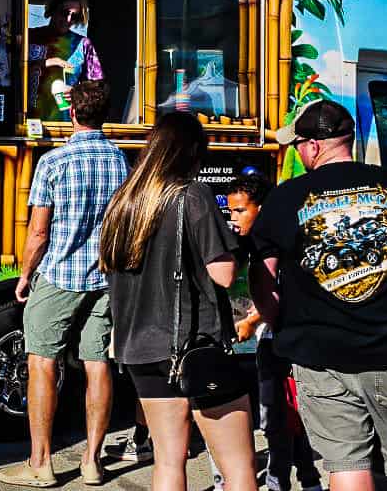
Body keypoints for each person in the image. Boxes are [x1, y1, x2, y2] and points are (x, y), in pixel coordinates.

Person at [249, 99, 387, 491]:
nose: (297, 154)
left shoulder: (287, 197)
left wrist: (279, 324)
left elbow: (262, 276)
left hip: (319, 355)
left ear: (312, 145)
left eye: (297, 146)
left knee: (346, 465)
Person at [100, 112, 258, 491]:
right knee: (238, 468)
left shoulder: (124, 202)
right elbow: (223, 274)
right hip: (194, 347)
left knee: (168, 461)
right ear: (192, 153)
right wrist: (241, 246)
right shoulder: (193, 195)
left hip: (139, 350)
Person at [0, 80, 127, 487]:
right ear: (106, 115)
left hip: (59, 276)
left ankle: (41, 463)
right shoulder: (121, 161)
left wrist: (25, 274)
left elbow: (38, 232)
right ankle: (92, 461)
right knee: (98, 365)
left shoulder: (54, 162)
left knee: (42, 363)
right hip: (104, 278)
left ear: (72, 113)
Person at [222, 172, 322, 491]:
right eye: (230, 211)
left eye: (240, 210)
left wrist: (252, 321)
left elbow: (278, 292)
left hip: (286, 338)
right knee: (283, 414)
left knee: (281, 414)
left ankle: (285, 479)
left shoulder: (278, 242)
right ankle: (304, 477)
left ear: (261, 209)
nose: (233, 218)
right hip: (273, 336)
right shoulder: (249, 242)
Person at [28, 0, 103, 122]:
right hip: (28, 123)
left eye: (74, 16)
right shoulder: (30, 37)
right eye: (64, 13)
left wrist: (77, 93)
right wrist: (45, 63)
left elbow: (98, 87)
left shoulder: (83, 45)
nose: (68, 20)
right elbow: (9, 74)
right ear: (53, 9)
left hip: (67, 126)